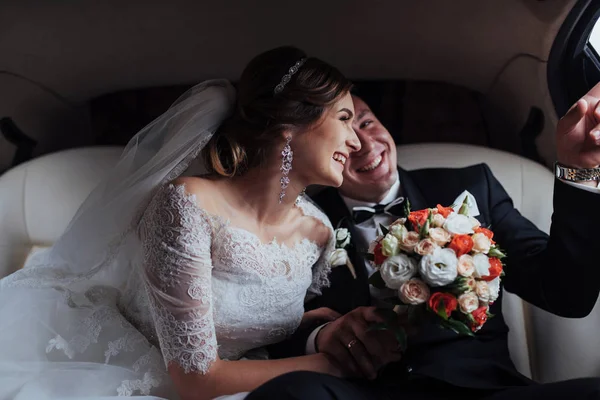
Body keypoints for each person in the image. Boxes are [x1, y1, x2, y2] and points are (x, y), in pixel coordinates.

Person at [0, 46, 362, 400]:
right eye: (344, 118)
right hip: (143, 378)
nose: (356, 140)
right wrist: (331, 365)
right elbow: (198, 381)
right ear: (289, 123)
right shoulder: (188, 204)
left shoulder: (319, 232)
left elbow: (243, 316)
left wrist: (310, 327)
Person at [254, 88, 600, 400]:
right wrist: (321, 337)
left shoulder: (471, 186)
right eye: (343, 137)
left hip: (483, 390)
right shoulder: (298, 221)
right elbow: (270, 331)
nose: (365, 144)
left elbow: (565, 292)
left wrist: (579, 171)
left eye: (367, 122)